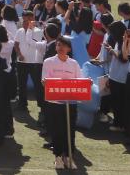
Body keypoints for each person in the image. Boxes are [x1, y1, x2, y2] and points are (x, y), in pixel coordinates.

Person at [42, 35, 82, 170]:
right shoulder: (48, 62)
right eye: (58, 45)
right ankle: (58, 157)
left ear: (69, 49)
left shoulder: (74, 63)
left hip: (71, 103)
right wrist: (45, 82)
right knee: (57, 130)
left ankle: (69, 157)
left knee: (70, 131)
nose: (60, 48)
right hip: (54, 103)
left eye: (64, 45)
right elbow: (44, 80)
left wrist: (87, 83)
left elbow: (79, 80)